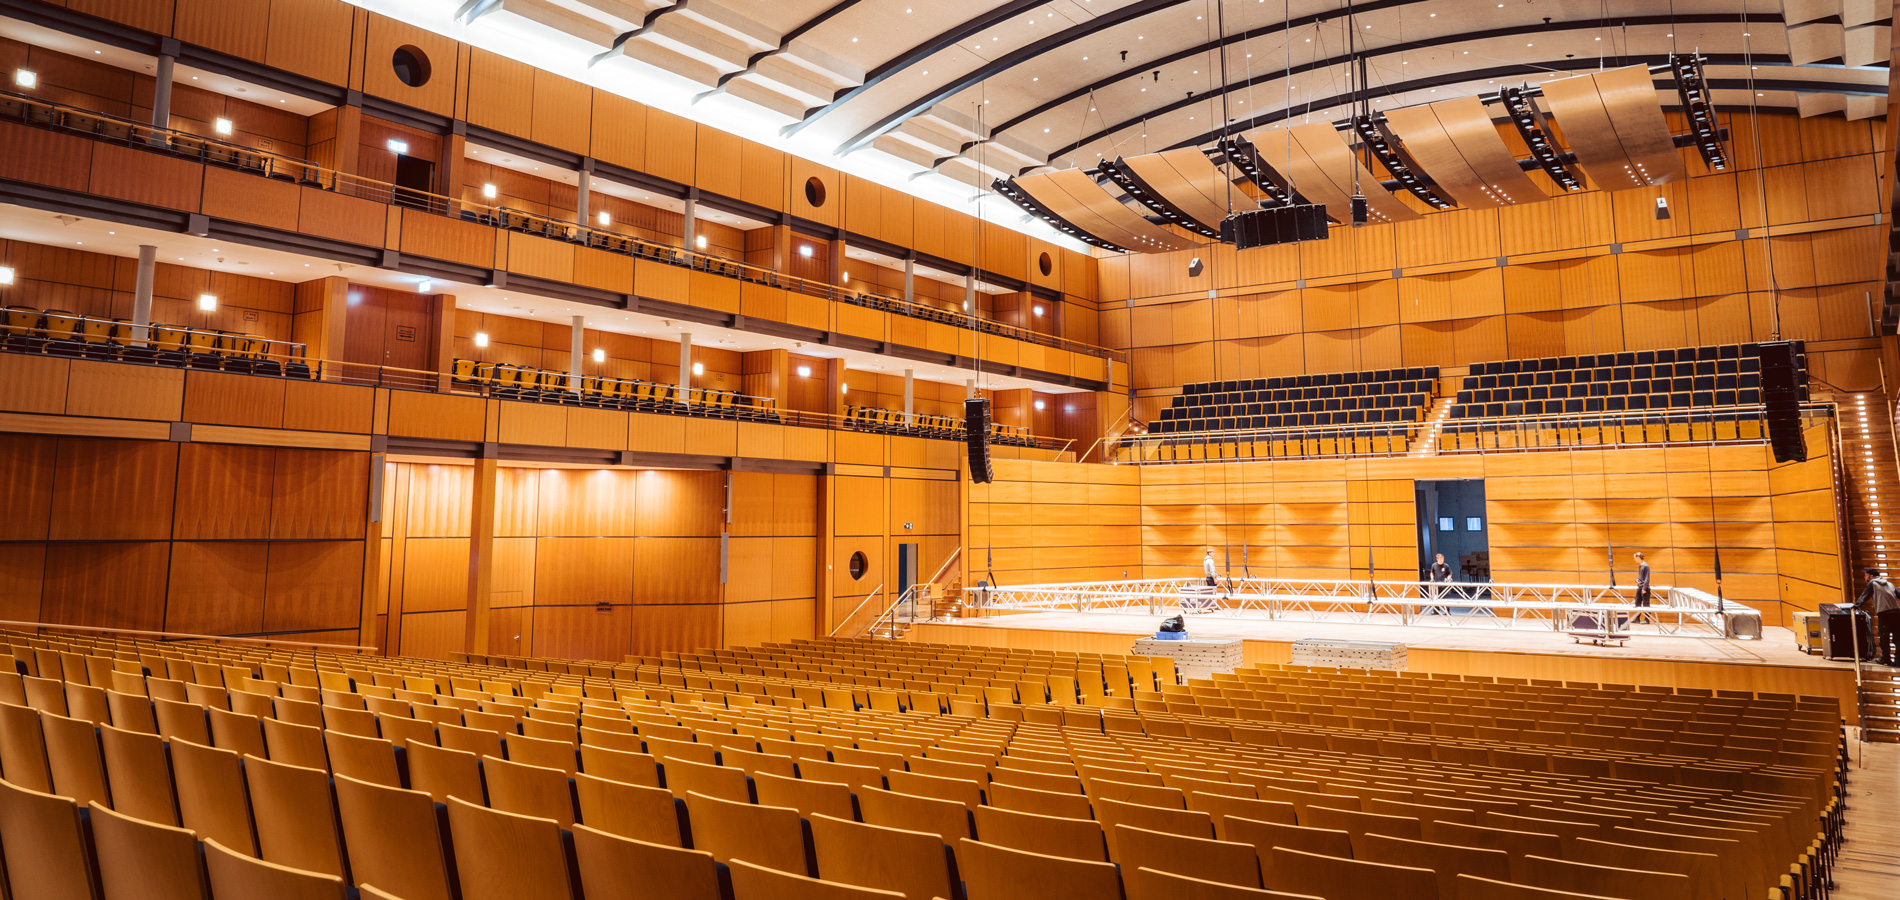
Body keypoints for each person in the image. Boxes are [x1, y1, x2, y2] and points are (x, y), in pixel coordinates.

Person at [1856, 567, 1899, 665]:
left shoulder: (1873, 583)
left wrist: (1856, 606)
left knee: (1884, 638)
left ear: (1871, 576)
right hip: (1896, 613)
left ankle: (1885, 658)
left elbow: (1864, 596)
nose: (1864, 577)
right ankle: (1898, 660)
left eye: (1865, 575)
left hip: (1884, 614)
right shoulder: (1890, 584)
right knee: (1897, 638)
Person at [1632, 552, 1651, 623]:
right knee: (1637, 602)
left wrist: (1644, 588)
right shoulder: (1640, 566)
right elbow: (1640, 576)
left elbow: (1647, 578)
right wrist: (1636, 579)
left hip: (1644, 588)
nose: (1634, 560)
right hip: (1639, 587)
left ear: (1638, 557)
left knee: (1646, 604)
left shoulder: (1646, 566)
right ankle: (1637, 618)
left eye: (1635, 558)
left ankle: (1647, 619)